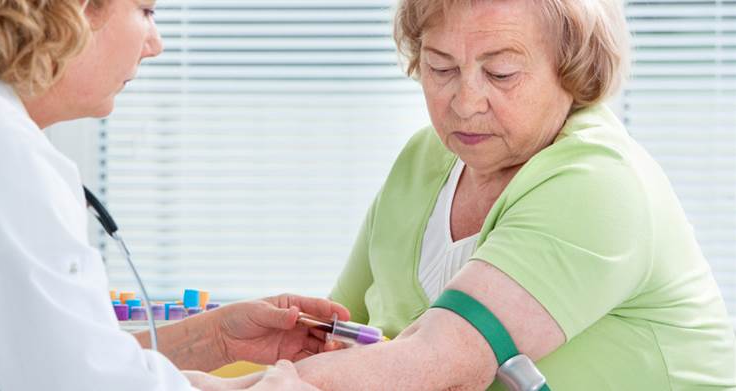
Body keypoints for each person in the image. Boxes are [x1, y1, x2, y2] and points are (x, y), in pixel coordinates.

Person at [294, 0, 736, 389]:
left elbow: (441, 364)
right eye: (440, 67)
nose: (465, 103)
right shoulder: (422, 159)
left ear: (572, 68)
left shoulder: (600, 181)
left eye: (501, 73)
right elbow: (332, 328)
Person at [0, 1, 347, 390]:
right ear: (76, 9)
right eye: (146, 11)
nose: (156, 44)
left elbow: (55, 357)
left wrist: (217, 339)